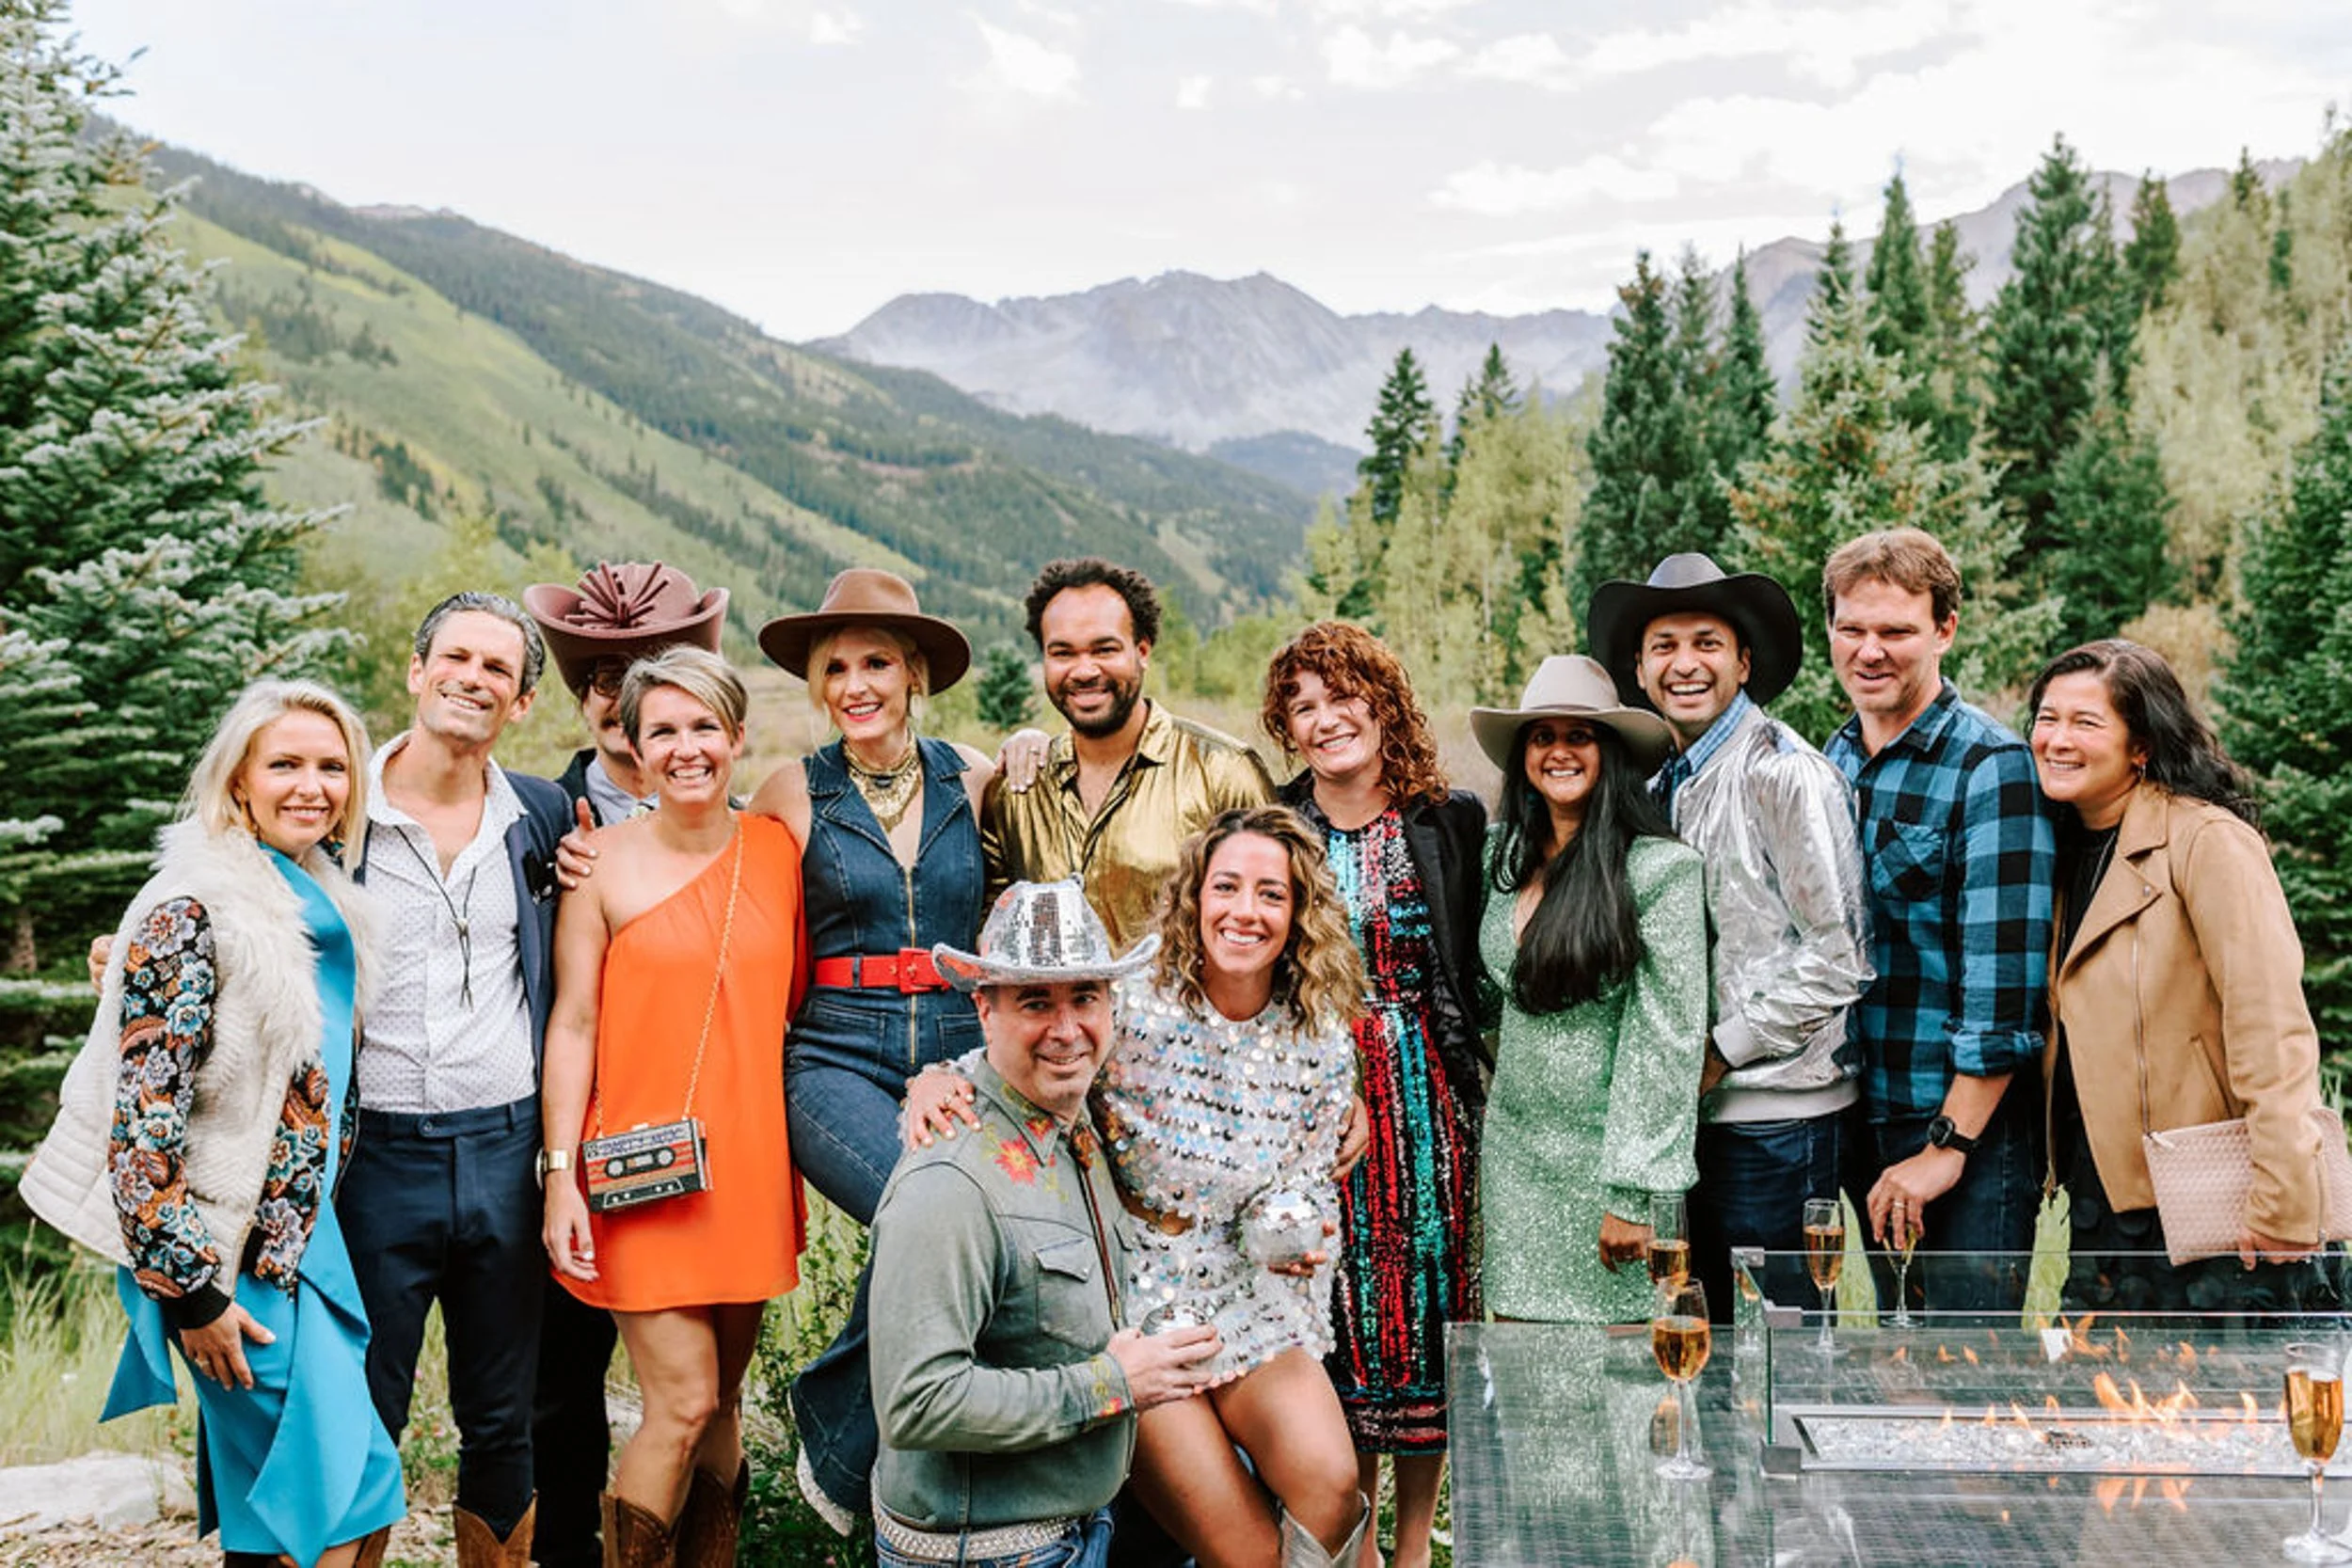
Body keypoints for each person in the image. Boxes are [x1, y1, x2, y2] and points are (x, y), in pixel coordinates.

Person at [911, 808, 1372, 1565]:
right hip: (1136, 1295)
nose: (1245, 912)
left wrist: (1306, 1229)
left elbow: (1310, 1180)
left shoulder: (1318, 1042)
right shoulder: (1137, 1011)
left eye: (1271, 894)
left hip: (1253, 1295)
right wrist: (933, 1078)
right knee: (1249, 1551)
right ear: (1195, 897)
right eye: (1226, 886)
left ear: (1298, 914)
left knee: (1332, 1482)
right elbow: (1031, 1062)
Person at [22, 680, 405, 1568]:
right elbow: (142, 1127)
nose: (312, 784)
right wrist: (192, 1290)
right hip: (220, 1252)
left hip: (302, 1243)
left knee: (285, 1506)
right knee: (344, 1498)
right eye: (285, 764)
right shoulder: (193, 907)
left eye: (332, 765)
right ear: (238, 781)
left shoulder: (310, 895)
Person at [541, 647, 807, 1564]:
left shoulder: (778, 846)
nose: (686, 747)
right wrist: (558, 1177)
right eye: (664, 730)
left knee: (725, 1404)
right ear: (632, 744)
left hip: (750, 1165)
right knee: (683, 1399)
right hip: (638, 1170)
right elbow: (571, 1023)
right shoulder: (597, 863)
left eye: (705, 727)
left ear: (737, 736)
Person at [870, 879, 1220, 1567]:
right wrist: (1113, 1384)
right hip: (990, 1553)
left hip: (1078, 1525)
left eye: (1084, 997)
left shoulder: (1069, 1113)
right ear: (985, 1009)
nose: (1066, 1029)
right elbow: (918, 1402)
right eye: (1036, 1001)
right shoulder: (949, 1183)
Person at [749, 567, 994, 1533]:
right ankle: (848, 1439)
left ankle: (927, 1468)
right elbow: (716, 887)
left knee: (982, 1226)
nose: (855, 683)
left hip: (959, 1046)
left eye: (876, 662)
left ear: (915, 672)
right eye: (836, 666)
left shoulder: (974, 776)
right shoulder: (788, 789)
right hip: (832, 1054)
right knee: (923, 1200)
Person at [342, 592, 575, 1566]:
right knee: (360, 1407)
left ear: (520, 703)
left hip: (505, 1144)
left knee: (503, 1414)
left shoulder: (545, 815)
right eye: (457, 657)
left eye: (498, 669)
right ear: (416, 668)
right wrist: (133, 940)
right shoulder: (337, 807)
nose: (473, 678)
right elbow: (227, 886)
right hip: (371, 1152)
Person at [1587, 554, 1872, 1321]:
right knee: (1699, 1344)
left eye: (1707, 642)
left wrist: (1723, 1047)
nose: (1686, 663)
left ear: (1743, 661)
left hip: (1776, 1118)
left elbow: (1841, 954)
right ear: (1640, 671)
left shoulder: (1784, 773)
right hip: (1689, 1119)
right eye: (1665, 645)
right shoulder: (1654, 786)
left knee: (1773, 1353)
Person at [2027, 640, 2342, 1314]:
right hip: (2105, 1202)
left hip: (2217, 1207)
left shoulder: (2207, 841)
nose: (2057, 739)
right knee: (2106, 1410)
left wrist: (2284, 1194)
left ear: (2141, 745)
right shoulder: (2055, 850)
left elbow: (2271, 1023)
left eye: (2086, 722)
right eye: (2047, 718)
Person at [1263, 622, 1486, 1568]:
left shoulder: (1447, 817)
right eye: (1302, 706)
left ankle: (1411, 1545)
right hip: (1316, 1097)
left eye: (1341, 696)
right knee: (1339, 1306)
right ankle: (1350, 1535)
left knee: (1428, 1302)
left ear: (1382, 703)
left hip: (1429, 1098)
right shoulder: (1277, 823)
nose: (1325, 719)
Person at [523, 560, 728, 1568]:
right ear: (585, 698)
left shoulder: (750, 825)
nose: (622, 693)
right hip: (561, 1133)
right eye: (603, 675)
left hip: (707, 1142)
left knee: (705, 1393)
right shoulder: (534, 819)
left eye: (645, 669)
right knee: (560, 1379)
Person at [1822, 530, 2054, 1315]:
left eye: (1896, 631)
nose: (1870, 650)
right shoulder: (1837, 756)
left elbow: (2004, 988)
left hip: (1962, 1131)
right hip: (1862, 1112)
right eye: (1852, 629)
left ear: (1945, 629)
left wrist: (1945, 1148)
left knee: (1966, 1365)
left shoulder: (1991, 766)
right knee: (1896, 1357)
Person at [1468, 656, 1708, 1323]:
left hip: (1611, 1169)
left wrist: (1633, 1191)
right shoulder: (1498, 859)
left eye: (1580, 735)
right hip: (1516, 1160)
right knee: (1523, 1379)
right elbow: (1487, 1000)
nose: (1559, 751)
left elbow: (1668, 1037)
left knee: (1622, 1389)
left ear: (1612, 753)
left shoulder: (1660, 872)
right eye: (1542, 736)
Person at [980, 557, 1273, 950]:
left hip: (1191, 1011)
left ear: (1143, 651)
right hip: (1060, 1013)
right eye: (1063, 653)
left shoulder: (1224, 771)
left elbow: (1282, 908)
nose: (1084, 671)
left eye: (1104, 649)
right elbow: (991, 927)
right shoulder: (1017, 788)